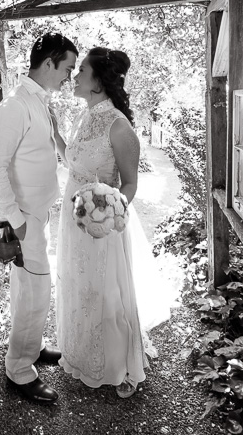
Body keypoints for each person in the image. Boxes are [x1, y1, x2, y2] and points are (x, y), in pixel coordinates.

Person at [56, 47, 180, 398]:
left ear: (98, 79)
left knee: (106, 292)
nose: (75, 76)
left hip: (102, 226)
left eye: (81, 70)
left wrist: (107, 215)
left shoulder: (118, 125)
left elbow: (129, 184)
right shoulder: (84, 117)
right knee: (79, 285)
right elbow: (74, 162)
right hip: (73, 220)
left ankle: (117, 363)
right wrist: (54, 133)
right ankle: (82, 353)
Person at [0, 32, 78, 404]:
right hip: (23, 220)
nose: (69, 77)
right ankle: (19, 369)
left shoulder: (40, 102)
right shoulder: (13, 108)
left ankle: (33, 346)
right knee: (35, 290)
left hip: (38, 215)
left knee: (31, 288)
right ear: (50, 63)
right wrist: (17, 222)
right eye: (67, 68)